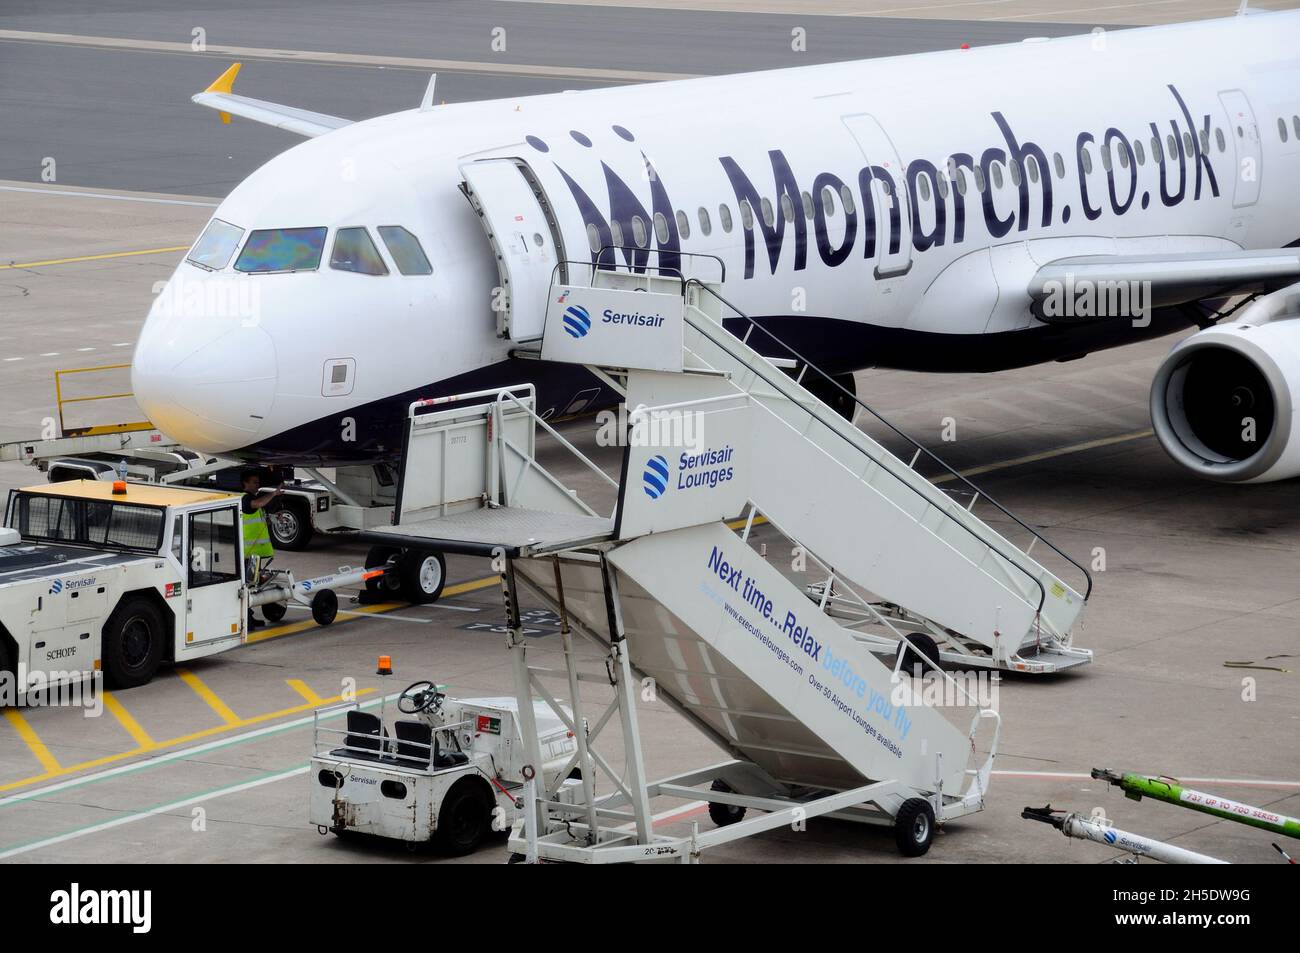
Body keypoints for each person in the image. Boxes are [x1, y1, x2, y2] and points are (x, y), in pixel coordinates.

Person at [240, 469, 283, 629]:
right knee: (247, 588)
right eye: (254, 482)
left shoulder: (253, 500)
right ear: (245, 483)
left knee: (251, 587)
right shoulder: (246, 499)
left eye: (258, 482)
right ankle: (246, 621)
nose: (257, 485)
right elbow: (257, 504)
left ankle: (249, 617)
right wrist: (274, 494)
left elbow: (259, 520)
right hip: (248, 554)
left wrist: (273, 517)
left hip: (254, 554)